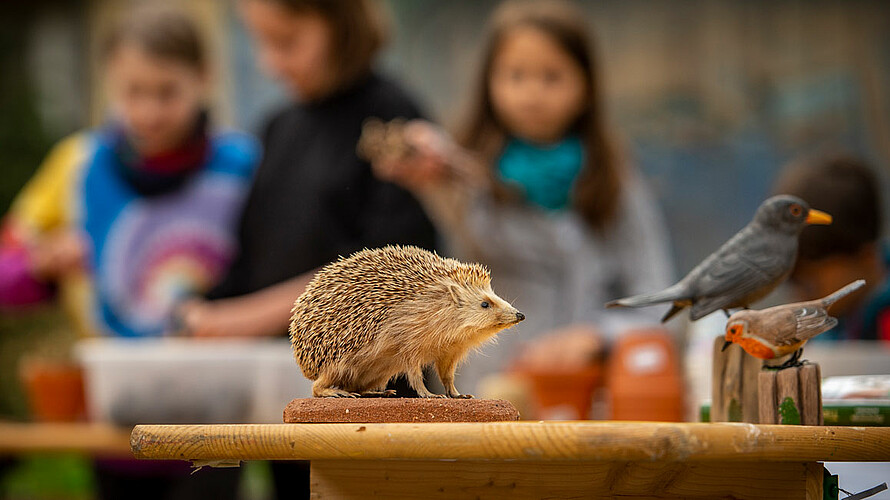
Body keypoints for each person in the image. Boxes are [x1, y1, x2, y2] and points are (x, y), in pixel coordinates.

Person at [0, 6, 258, 499]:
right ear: (110, 84)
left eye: (167, 92)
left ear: (204, 78)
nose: (149, 112)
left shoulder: (242, 165)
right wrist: (41, 264)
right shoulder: (78, 167)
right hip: (112, 424)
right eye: (133, 93)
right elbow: (6, 273)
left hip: (216, 424)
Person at [369, 0, 675, 392]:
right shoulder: (467, 172)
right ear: (489, 83)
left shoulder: (614, 178)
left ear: (586, 86)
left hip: (594, 395)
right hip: (485, 389)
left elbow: (657, 298)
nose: (532, 94)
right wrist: (423, 159)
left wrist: (596, 337)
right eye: (515, 75)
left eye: (551, 77)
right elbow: (443, 187)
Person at [181, 0, 436, 340]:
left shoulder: (393, 119)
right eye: (260, 42)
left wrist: (244, 320)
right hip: (270, 370)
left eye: (285, 42)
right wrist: (199, 309)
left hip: (370, 375)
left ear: (341, 23)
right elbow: (250, 264)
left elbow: (392, 269)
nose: (269, 64)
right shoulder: (279, 127)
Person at [774, 155, 889, 342]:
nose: (800, 299)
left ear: (866, 258)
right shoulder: (829, 327)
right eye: (793, 282)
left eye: (811, 286)